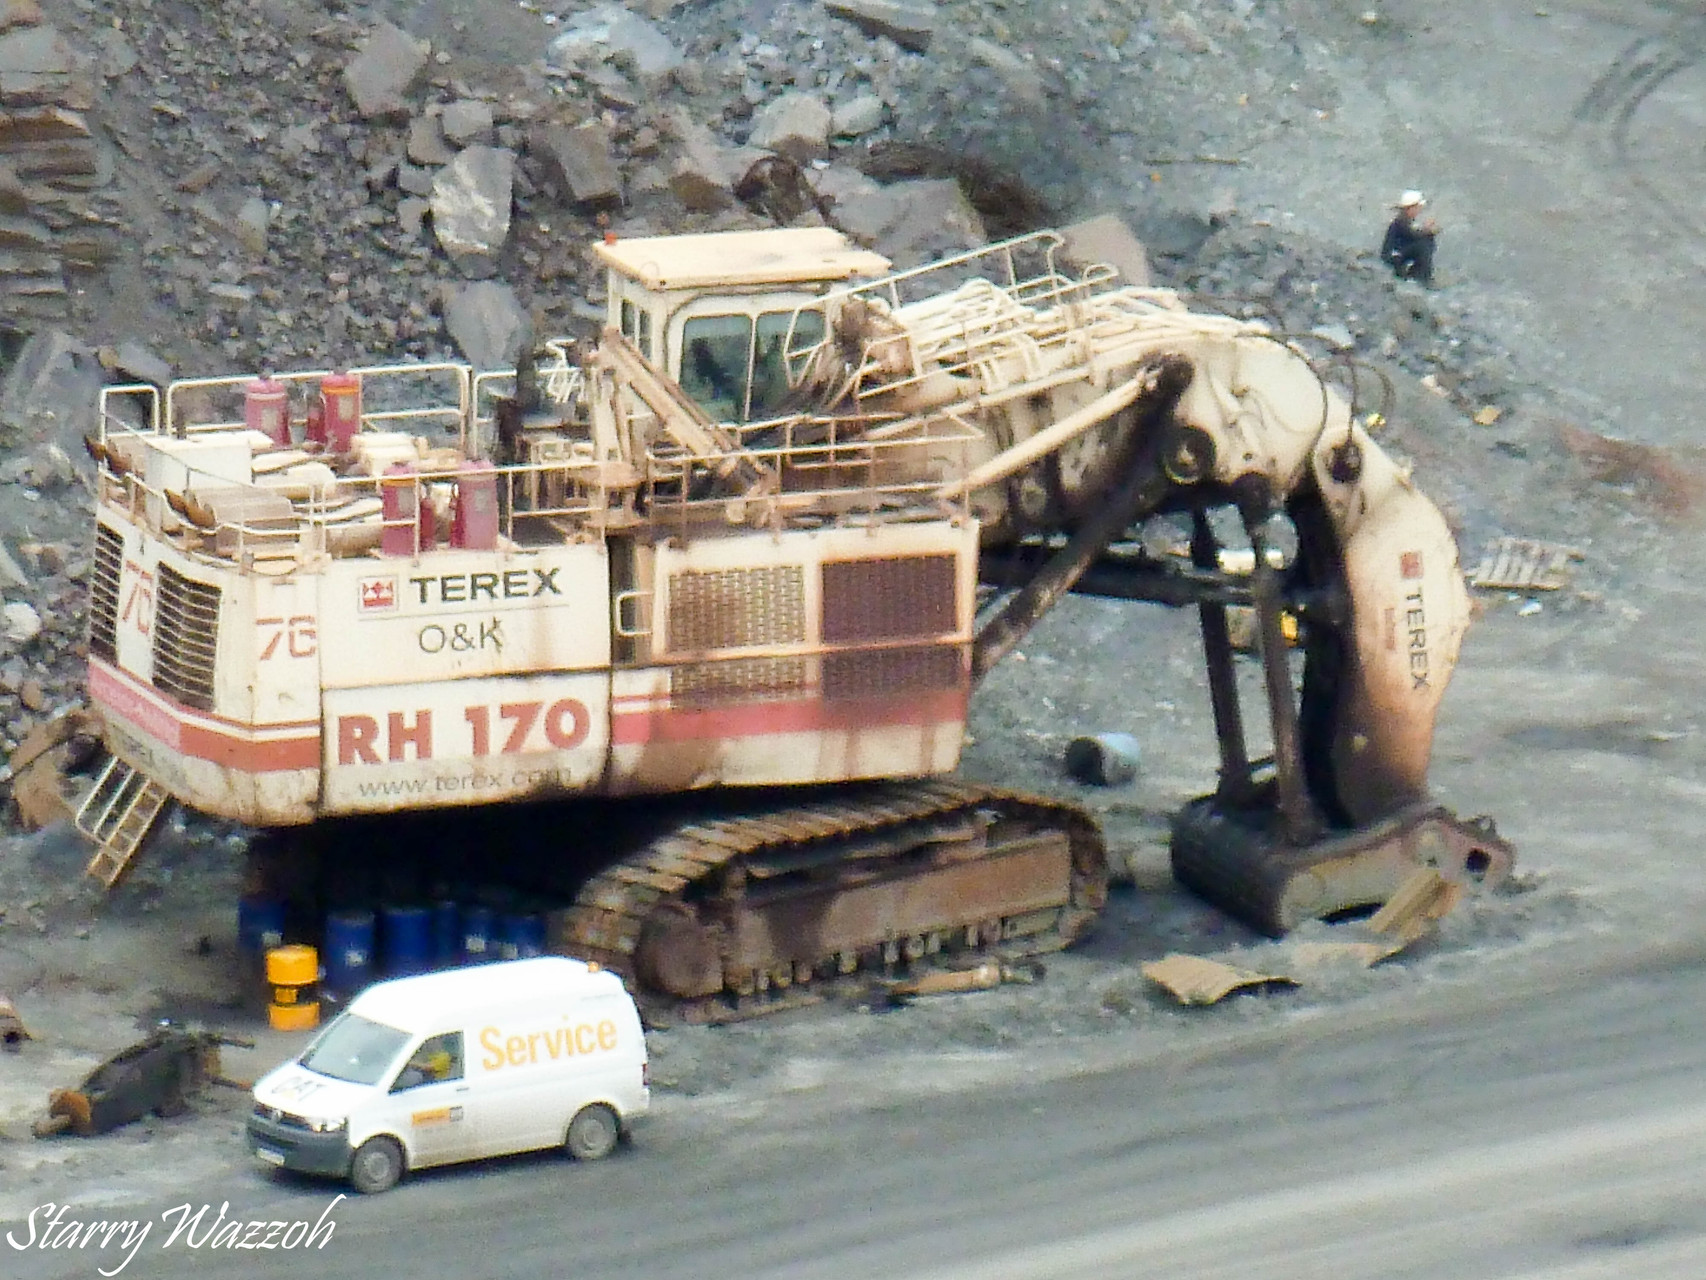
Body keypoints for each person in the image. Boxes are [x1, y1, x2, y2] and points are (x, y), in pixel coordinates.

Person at [1381, 190, 1438, 286]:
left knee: (1426, 242)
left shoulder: (1405, 219)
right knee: (1423, 246)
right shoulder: (1401, 221)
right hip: (1393, 255)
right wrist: (1428, 231)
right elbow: (1412, 234)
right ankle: (1420, 278)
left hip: (1399, 252)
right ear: (1411, 208)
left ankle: (1420, 274)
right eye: (1418, 207)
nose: (1419, 210)